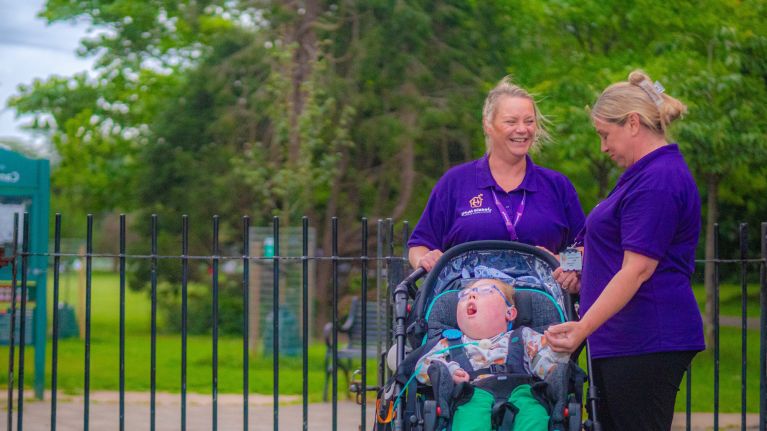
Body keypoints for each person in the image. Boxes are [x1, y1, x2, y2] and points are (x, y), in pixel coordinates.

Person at [544, 70, 705, 431]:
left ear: (632, 123)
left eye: (605, 134)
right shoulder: (639, 174)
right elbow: (599, 239)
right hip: (622, 340)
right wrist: (569, 265)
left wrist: (582, 327)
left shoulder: (659, 181)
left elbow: (637, 269)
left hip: (646, 339)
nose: (602, 147)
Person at [407, 77, 585, 292]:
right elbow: (418, 245)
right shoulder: (455, 182)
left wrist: (563, 264)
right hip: (467, 310)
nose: (522, 129)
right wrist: (425, 259)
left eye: (529, 121)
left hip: (542, 310)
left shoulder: (557, 186)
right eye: (511, 122)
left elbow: (584, 249)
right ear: (488, 125)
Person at [415, 278, 569, 430]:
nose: (471, 296)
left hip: (522, 389)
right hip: (471, 394)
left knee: (534, 412)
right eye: (465, 294)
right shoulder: (450, 344)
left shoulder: (524, 337)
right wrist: (451, 371)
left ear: (509, 312)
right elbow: (424, 366)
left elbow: (543, 357)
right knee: (469, 416)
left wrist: (553, 361)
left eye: (485, 291)